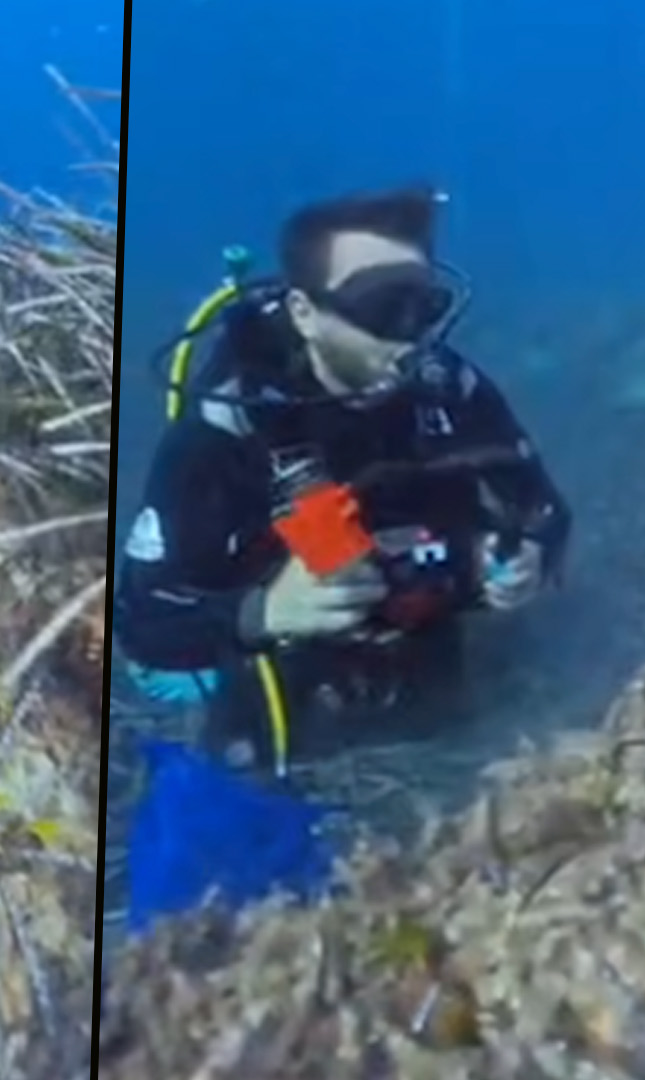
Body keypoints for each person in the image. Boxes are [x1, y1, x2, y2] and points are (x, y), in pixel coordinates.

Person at [114, 184, 572, 774]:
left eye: (425, 306)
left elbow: (545, 510)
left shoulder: (449, 387)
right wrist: (266, 613)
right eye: (383, 308)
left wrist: (525, 558)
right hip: (277, 676)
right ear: (305, 314)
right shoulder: (225, 428)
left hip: (425, 645)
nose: (410, 337)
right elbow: (143, 629)